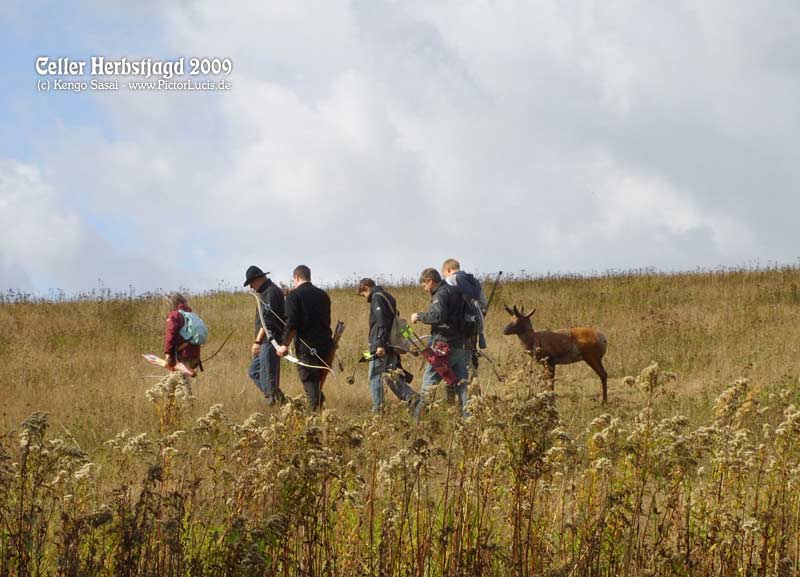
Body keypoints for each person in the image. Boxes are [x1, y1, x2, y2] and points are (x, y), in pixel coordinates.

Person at [410, 268, 470, 415]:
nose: (424, 288)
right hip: (460, 344)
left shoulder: (440, 294)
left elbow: (438, 316)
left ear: (430, 281)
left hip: (444, 345)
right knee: (462, 384)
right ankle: (469, 418)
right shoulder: (456, 291)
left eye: (424, 284)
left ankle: (418, 419)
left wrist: (419, 316)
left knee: (429, 381)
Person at [275, 265, 334, 411]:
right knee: (317, 381)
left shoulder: (294, 295)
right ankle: (318, 407)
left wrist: (284, 345)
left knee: (309, 380)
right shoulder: (323, 295)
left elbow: (292, 323)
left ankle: (314, 414)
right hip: (326, 344)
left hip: (308, 347)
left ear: (296, 277)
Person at [357, 278, 418, 412]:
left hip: (382, 345)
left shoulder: (377, 298)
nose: (365, 298)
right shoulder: (388, 296)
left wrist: (380, 344)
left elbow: (381, 322)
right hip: (391, 345)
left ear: (366, 288)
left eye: (363, 295)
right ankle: (413, 399)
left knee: (375, 375)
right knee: (392, 376)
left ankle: (378, 409)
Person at [441, 258, 488, 395]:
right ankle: (476, 396)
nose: (444, 277)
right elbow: (483, 303)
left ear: (448, 270)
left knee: (452, 363)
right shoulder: (473, 281)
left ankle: (455, 399)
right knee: (470, 360)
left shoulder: (450, 280)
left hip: (458, 330)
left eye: (444, 274)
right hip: (473, 329)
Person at [244, 265, 287, 405]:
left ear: (259, 278)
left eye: (252, 282)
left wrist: (257, 341)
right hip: (266, 342)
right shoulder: (267, 292)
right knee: (254, 371)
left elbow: (267, 321)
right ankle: (280, 399)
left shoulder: (270, 292)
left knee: (268, 376)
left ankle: (273, 401)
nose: (251, 286)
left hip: (270, 341)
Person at [163, 292, 202, 373]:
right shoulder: (191, 314)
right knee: (184, 381)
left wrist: (168, 353)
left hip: (182, 355)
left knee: (180, 381)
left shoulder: (175, 315)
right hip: (194, 354)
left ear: (171, 303)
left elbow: (170, 335)